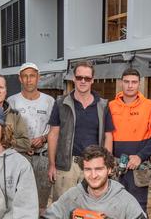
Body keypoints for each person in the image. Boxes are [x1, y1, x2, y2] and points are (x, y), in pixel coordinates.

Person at [47, 61, 114, 201]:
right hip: (66, 166)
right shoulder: (61, 103)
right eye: (79, 77)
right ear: (74, 78)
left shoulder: (103, 106)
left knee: (91, 209)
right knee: (63, 210)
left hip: (93, 165)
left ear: (92, 80)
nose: (83, 81)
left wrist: (107, 165)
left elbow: (108, 136)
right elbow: (53, 134)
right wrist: (52, 165)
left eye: (87, 78)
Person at [104, 68, 151, 212]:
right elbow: (104, 135)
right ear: (121, 83)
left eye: (134, 82)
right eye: (127, 82)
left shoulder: (150, 106)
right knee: (113, 206)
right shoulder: (110, 106)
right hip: (115, 165)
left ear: (139, 83)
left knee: (138, 207)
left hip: (138, 165)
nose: (130, 85)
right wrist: (108, 161)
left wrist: (140, 157)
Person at [9, 62, 55, 210]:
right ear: (20, 79)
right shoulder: (12, 101)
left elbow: (54, 129)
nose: (29, 80)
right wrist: (23, 145)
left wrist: (43, 138)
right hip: (19, 156)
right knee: (19, 199)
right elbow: (7, 131)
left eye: (32, 76)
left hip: (42, 157)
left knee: (41, 201)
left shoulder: (49, 101)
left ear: (38, 77)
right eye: (25, 76)